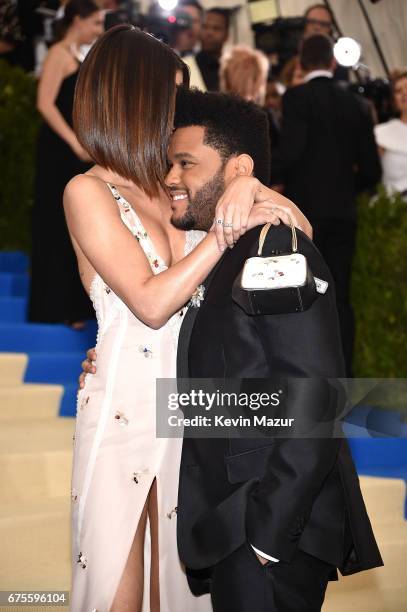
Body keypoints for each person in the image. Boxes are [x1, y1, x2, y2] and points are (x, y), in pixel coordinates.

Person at [82, 87, 383, 611]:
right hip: (233, 528)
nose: (171, 177)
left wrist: (265, 539)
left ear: (239, 167)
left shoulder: (273, 246)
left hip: (268, 534)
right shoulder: (222, 250)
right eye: (169, 163)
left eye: (186, 163)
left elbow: (313, 398)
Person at [65, 25, 311, 612]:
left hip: (191, 408)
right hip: (122, 405)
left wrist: (245, 184)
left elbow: (300, 231)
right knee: (113, 593)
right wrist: (226, 228)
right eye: (172, 96)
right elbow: (149, 303)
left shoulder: (176, 186)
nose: (181, 110)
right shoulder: (86, 191)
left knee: (181, 592)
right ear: (135, 97)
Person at [271, 34, 381, 376]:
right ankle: (342, 378)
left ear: (301, 62)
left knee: (300, 292)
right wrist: (348, 187)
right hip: (343, 214)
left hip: (304, 215)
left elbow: (292, 152)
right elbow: (372, 170)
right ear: (333, 62)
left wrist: (261, 177)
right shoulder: (357, 105)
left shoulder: (296, 98)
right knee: (340, 297)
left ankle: (306, 374)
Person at [28, 0, 104, 327]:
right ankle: (55, 309)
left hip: (75, 150)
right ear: (78, 20)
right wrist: (74, 142)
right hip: (58, 152)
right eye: (96, 23)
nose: (99, 30)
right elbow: (44, 103)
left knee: (75, 225)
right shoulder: (59, 53)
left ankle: (74, 308)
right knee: (56, 224)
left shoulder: (79, 55)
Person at [374, 71, 407, 197]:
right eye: (398, 91)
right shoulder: (381, 133)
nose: (404, 92)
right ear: (394, 100)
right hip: (395, 208)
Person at [195, 7, 229, 91]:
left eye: (216, 28)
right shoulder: (189, 65)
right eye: (205, 27)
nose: (209, 33)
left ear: (227, 35)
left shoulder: (232, 69)